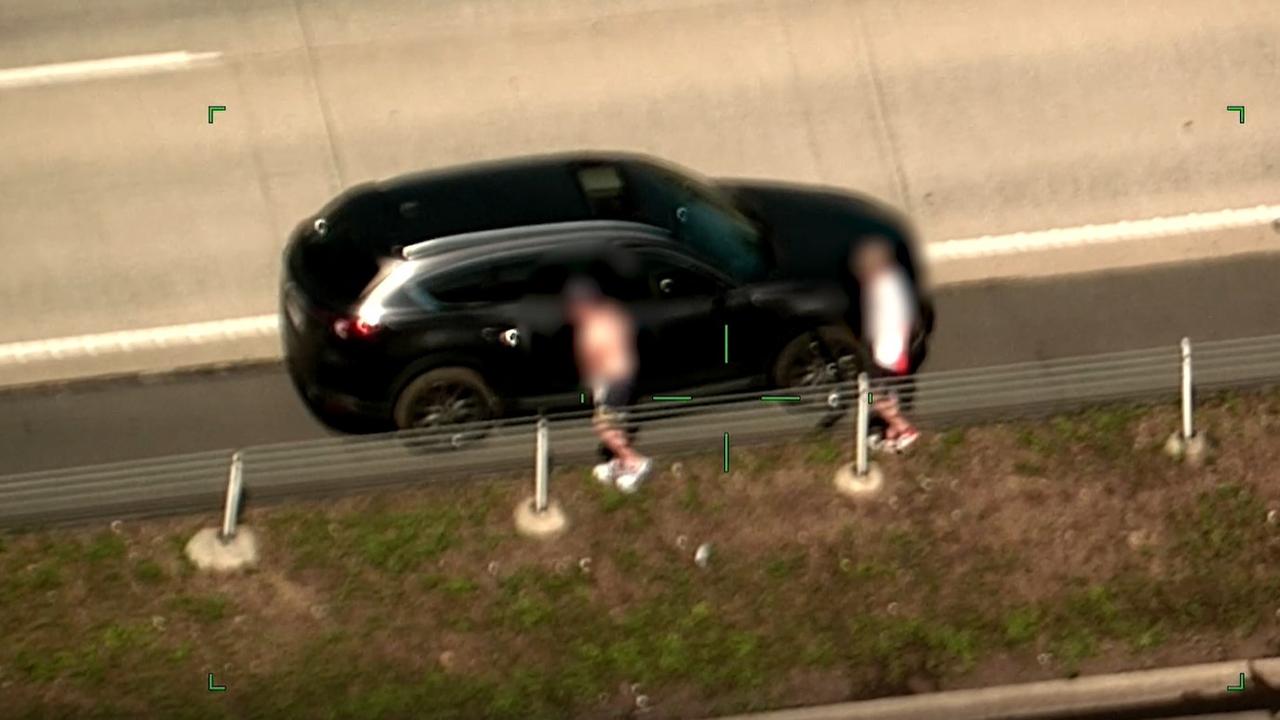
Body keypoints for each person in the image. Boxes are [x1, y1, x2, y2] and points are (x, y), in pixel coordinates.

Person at [563, 275, 653, 493]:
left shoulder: (590, 329)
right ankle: (620, 464)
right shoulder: (613, 313)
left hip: (614, 381)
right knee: (614, 423)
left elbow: (592, 363)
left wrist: (598, 391)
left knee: (603, 426)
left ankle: (636, 463)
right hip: (625, 376)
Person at [851, 237, 921, 452]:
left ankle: (901, 428)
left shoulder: (888, 284)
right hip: (888, 355)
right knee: (875, 397)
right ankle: (903, 429)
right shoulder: (887, 285)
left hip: (889, 354)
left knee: (875, 396)